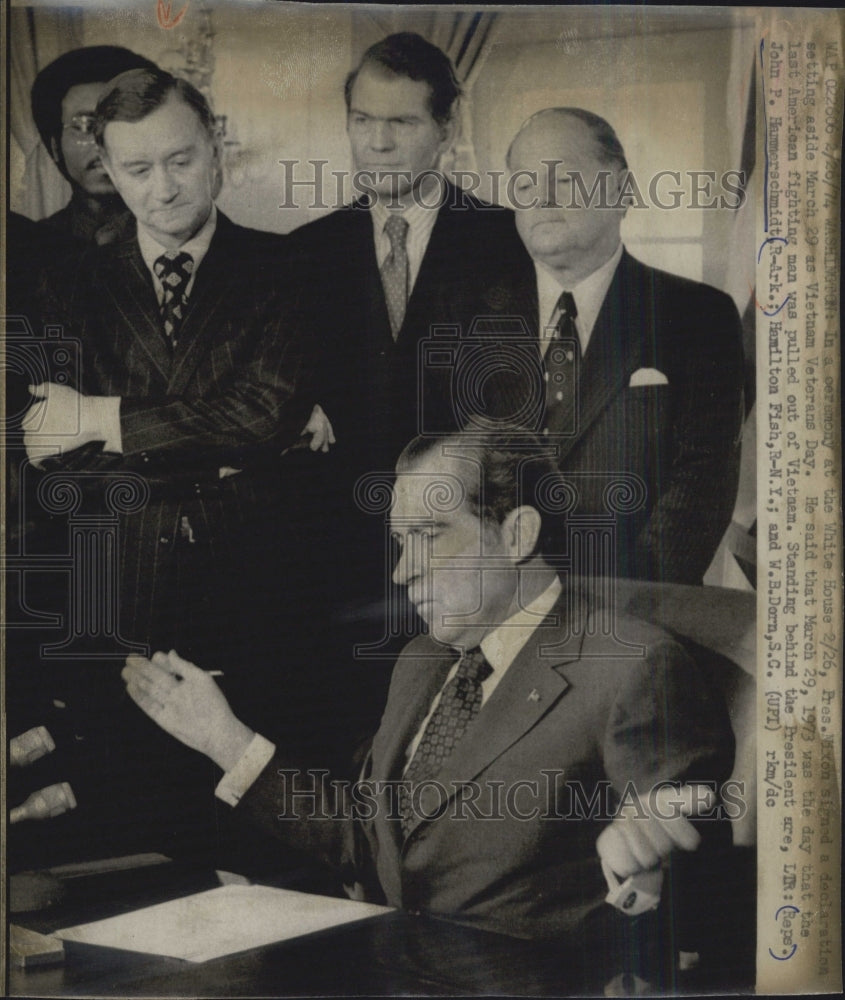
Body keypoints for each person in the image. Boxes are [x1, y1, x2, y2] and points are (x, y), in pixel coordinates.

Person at [123, 427, 735, 988]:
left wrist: (646, 879)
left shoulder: (632, 665)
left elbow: (697, 877)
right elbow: (368, 839)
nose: (402, 572)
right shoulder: (422, 659)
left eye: (429, 537)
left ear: (517, 534)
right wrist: (224, 739)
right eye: (399, 542)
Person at [18, 67, 326, 861]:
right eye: (137, 170)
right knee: (136, 865)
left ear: (216, 146)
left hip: (259, 614)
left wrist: (102, 418)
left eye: (180, 160)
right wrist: (223, 459)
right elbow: (57, 472)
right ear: (107, 172)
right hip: (123, 617)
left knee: (261, 862)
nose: (161, 189)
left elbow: (260, 415)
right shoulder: (65, 286)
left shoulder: (287, 270)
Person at [285, 31, 533, 660]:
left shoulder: (511, 243)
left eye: (401, 121)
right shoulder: (302, 253)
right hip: (330, 563)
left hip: (460, 564)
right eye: (362, 119)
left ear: (446, 129)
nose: (378, 141)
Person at [462, 107, 745, 584]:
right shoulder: (471, 318)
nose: (542, 199)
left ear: (621, 190)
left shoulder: (699, 316)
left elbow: (701, 486)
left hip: (636, 611)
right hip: (500, 608)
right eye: (525, 186)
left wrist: (614, 609)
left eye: (565, 180)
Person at [30, 46, 158, 246]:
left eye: (119, 123)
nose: (104, 143)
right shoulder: (31, 245)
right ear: (55, 147)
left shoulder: (183, 238)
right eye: (84, 125)